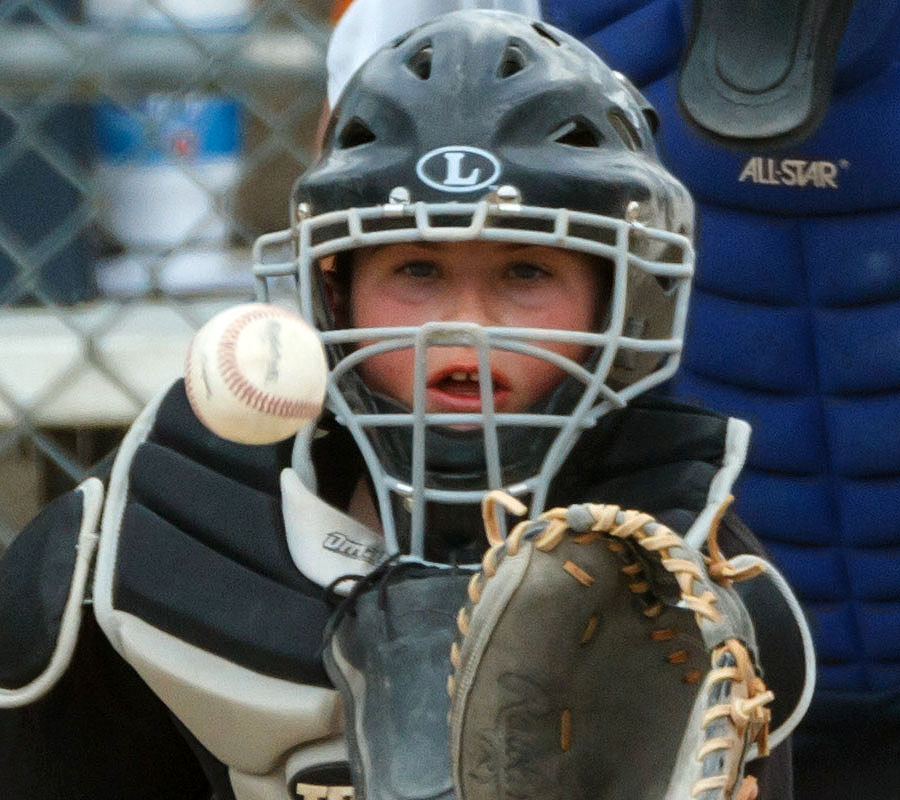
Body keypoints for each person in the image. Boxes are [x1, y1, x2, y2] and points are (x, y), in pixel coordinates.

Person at [0, 10, 812, 800]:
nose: (464, 326)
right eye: (417, 271)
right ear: (333, 287)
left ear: (617, 301)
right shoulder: (145, 539)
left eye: (526, 273)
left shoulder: (694, 574)